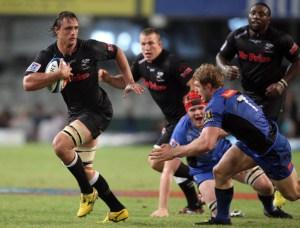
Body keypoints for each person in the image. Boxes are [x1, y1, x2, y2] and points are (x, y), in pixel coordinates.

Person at [23, 11, 144, 223]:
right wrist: (56, 75)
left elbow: (117, 52)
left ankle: (87, 193)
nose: (73, 33)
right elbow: (27, 83)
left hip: (98, 111)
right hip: (76, 114)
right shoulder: (48, 55)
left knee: (60, 145)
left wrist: (129, 80)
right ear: (57, 30)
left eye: (76, 28)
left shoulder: (90, 47)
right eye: (68, 28)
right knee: (85, 170)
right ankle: (117, 209)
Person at [150, 63, 300, 225]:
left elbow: (206, 144)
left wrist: (174, 152)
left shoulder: (215, 106)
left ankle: (270, 204)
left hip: (271, 149)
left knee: (293, 194)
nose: (197, 92)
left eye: (198, 87)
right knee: (221, 171)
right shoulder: (230, 94)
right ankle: (221, 218)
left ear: (208, 86)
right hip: (250, 144)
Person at [99, 27, 203, 214]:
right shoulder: (140, 62)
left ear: (160, 44)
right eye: (143, 44)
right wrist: (107, 79)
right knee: (171, 162)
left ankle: (199, 179)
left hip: (185, 120)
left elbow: (195, 84)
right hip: (172, 121)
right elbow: (126, 81)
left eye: (151, 43)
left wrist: (196, 112)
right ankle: (195, 204)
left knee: (157, 160)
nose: (147, 48)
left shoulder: (173, 63)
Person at [216, 2, 300, 208]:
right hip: (248, 97)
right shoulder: (237, 36)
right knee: (254, 139)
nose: (256, 17)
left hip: (272, 97)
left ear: (268, 19)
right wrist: (225, 69)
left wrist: (282, 83)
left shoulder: (281, 39)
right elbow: (220, 57)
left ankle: (276, 176)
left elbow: (298, 60)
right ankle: (279, 176)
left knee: (260, 137)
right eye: (253, 13)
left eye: (261, 14)